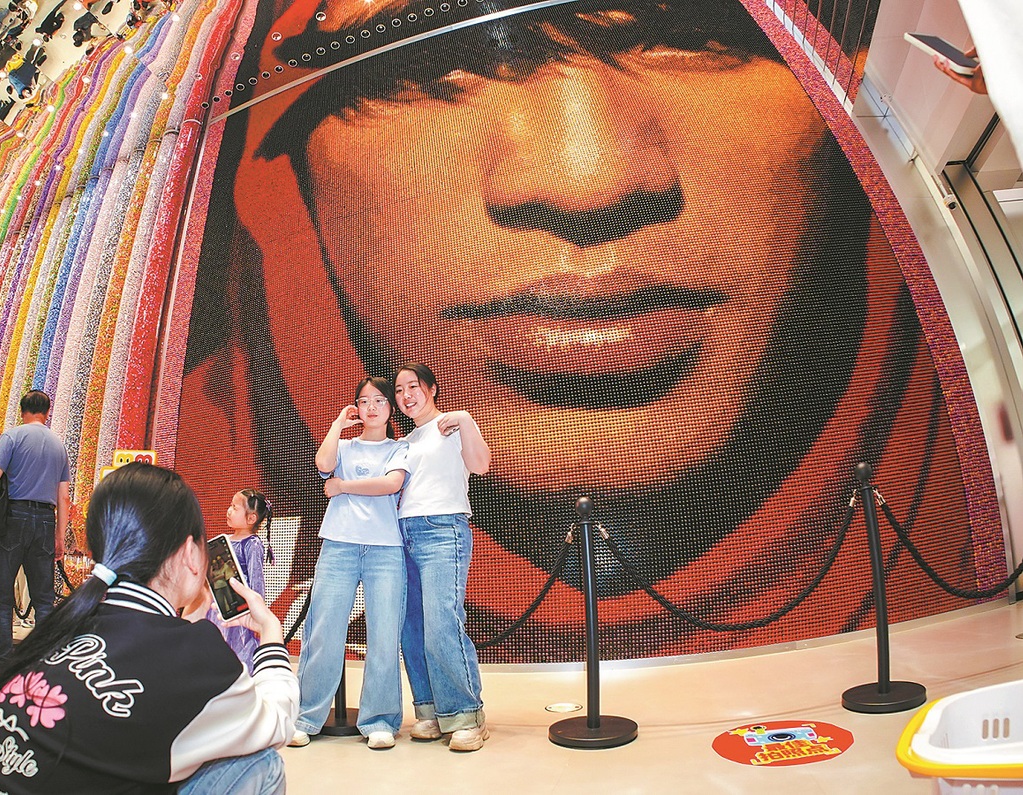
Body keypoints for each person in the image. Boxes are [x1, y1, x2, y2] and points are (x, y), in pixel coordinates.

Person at [177, 0, 985, 663]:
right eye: (427, 63)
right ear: (269, 169)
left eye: (697, 35)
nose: (587, 176)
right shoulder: (193, 512)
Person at [0, 463, 297, 794]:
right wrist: (270, 631)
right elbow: (276, 720)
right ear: (191, 554)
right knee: (261, 764)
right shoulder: (198, 655)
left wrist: (190, 618)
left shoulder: (64, 625)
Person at [291, 376, 409, 750]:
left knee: (384, 635)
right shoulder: (343, 446)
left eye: (379, 400)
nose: (371, 407)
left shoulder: (400, 447)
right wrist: (337, 425)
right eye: (364, 401)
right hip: (339, 544)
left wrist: (343, 486)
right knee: (323, 630)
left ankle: (380, 720)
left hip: (385, 549)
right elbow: (322, 463)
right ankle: (306, 717)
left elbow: (391, 484)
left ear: (391, 408)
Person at [393, 363, 491, 750]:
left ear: (432, 388)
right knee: (412, 628)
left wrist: (466, 419)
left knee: (441, 623)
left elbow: (481, 465)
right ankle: (431, 710)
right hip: (403, 533)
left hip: (442, 529)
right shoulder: (405, 441)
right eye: (399, 390)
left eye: (413, 386)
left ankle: (466, 715)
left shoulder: (452, 424)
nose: (406, 396)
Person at [0, 390, 70, 679]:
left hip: (14, 518)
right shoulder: (58, 445)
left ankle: (4, 661)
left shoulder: (12, 436)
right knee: (43, 597)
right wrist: (60, 536)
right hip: (46, 521)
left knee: (2, 593)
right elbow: (64, 496)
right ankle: (41, 662)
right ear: (47, 412)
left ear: (22, 411)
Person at [208, 488, 272, 672]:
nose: (229, 511)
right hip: (219, 605)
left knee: (237, 653)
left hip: (239, 610)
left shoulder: (252, 544)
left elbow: (256, 581)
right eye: (230, 505)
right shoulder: (225, 540)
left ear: (251, 518)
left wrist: (256, 610)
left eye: (235, 507)